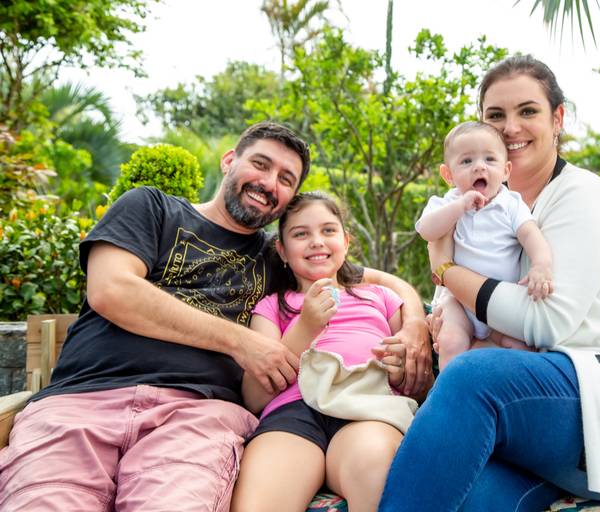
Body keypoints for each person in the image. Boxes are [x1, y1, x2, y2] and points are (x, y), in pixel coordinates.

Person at [0, 121, 431, 512]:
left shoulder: (276, 254)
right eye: (260, 164)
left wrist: (413, 320)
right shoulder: (152, 208)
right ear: (229, 161)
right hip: (82, 403)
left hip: (196, 415)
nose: (269, 183)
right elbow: (111, 289)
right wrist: (241, 342)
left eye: (286, 179)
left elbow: (361, 276)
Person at [379, 55, 600, 512]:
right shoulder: (483, 206)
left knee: (470, 377)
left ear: (557, 119)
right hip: (529, 418)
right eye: (495, 115)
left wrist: (446, 270)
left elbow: (545, 322)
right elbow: (460, 307)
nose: (510, 128)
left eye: (527, 111)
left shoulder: (582, 195)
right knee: (462, 493)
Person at [231, 192, 412, 512]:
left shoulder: (379, 297)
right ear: (282, 250)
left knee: (376, 469)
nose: (317, 241)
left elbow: (417, 374)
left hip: (366, 407)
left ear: (346, 241)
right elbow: (254, 396)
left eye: (328, 230)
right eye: (301, 234)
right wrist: (306, 326)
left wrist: (403, 370)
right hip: (294, 414)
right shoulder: (271, 306)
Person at [415, 120, 553, 370]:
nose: (479, 166)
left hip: (500, 302)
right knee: (451, 341)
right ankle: (447, 386)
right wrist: (460, 206)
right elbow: (426, 230)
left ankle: (487, 375)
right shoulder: (447, 203)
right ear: (448, 174)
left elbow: (531, 235)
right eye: (467, 161)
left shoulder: (510, 204)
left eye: (490, 159)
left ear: (506, 170)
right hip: (458, 301)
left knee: (519, 346)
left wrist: (541, 265)